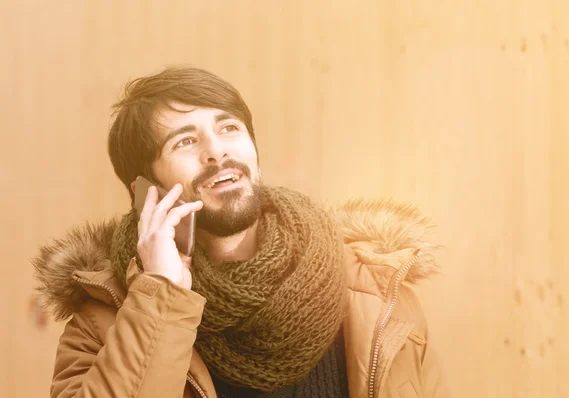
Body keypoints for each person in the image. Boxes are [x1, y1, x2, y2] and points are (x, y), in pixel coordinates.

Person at [33, 65, 451, 398]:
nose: (217, 150)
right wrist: (161, 294)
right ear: (147, 193)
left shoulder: (377, 297)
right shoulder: (102, 324)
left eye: (229, 128)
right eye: (184, 142)